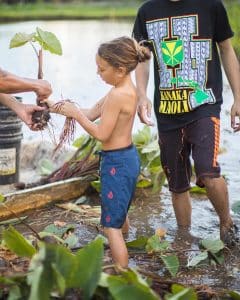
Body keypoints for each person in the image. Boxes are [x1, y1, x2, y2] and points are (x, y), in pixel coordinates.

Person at [133, 0, 240, 246]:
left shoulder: (211, 6)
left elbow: (226, 49)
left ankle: (226, 223)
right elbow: (143, 58)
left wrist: (238, 97)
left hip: (204, 104)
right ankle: (184, 237)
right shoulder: (147, 12)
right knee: (177, 182)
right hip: (167, 110)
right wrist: (141, 94)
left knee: (208, 171)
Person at [46, 36, 151, 267]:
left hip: (117, 162)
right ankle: (123, 247)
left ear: (120, 69)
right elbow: (92, 112)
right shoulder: (125, 89)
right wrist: (53, 106)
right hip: (127, 158)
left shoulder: (116, 95)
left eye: (102, 69)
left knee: (110, 226)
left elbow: (101, 133)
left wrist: (76, 115)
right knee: (120, 214)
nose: (98, 73)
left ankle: (122, 272)